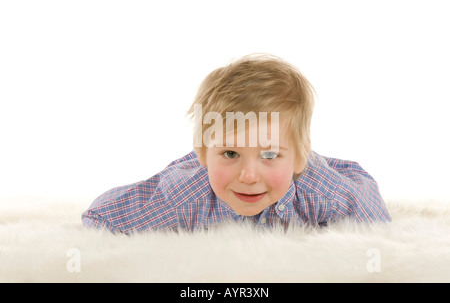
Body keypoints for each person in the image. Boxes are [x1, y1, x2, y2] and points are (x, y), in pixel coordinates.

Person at [82, 54, 391, 234]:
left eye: (268, 154)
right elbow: (99, 217)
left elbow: (374, 218)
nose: (248, 175)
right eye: (231, 153)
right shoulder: (183, 196)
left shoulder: (323, 191)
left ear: (299, 158)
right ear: (202, 153)